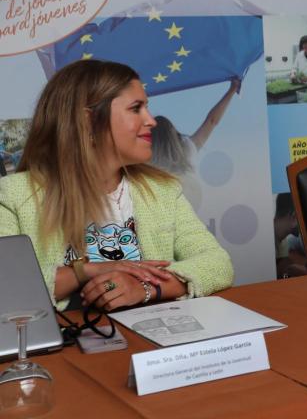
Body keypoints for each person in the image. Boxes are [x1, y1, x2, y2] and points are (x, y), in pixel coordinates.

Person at [0, 60, 234, 311]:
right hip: (66, 345)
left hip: (151, 337)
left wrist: (145, 289)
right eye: (136, 108)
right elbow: (8, 289)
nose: (151, 121)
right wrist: (86, 271)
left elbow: (218, 264)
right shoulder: (14, 195)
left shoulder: (162, 190)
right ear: (88, 121)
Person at [150, 78, 240, 210]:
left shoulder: (143, 159)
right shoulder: (186, 149)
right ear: (173, 134)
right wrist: (232, 90)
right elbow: (212, 121)